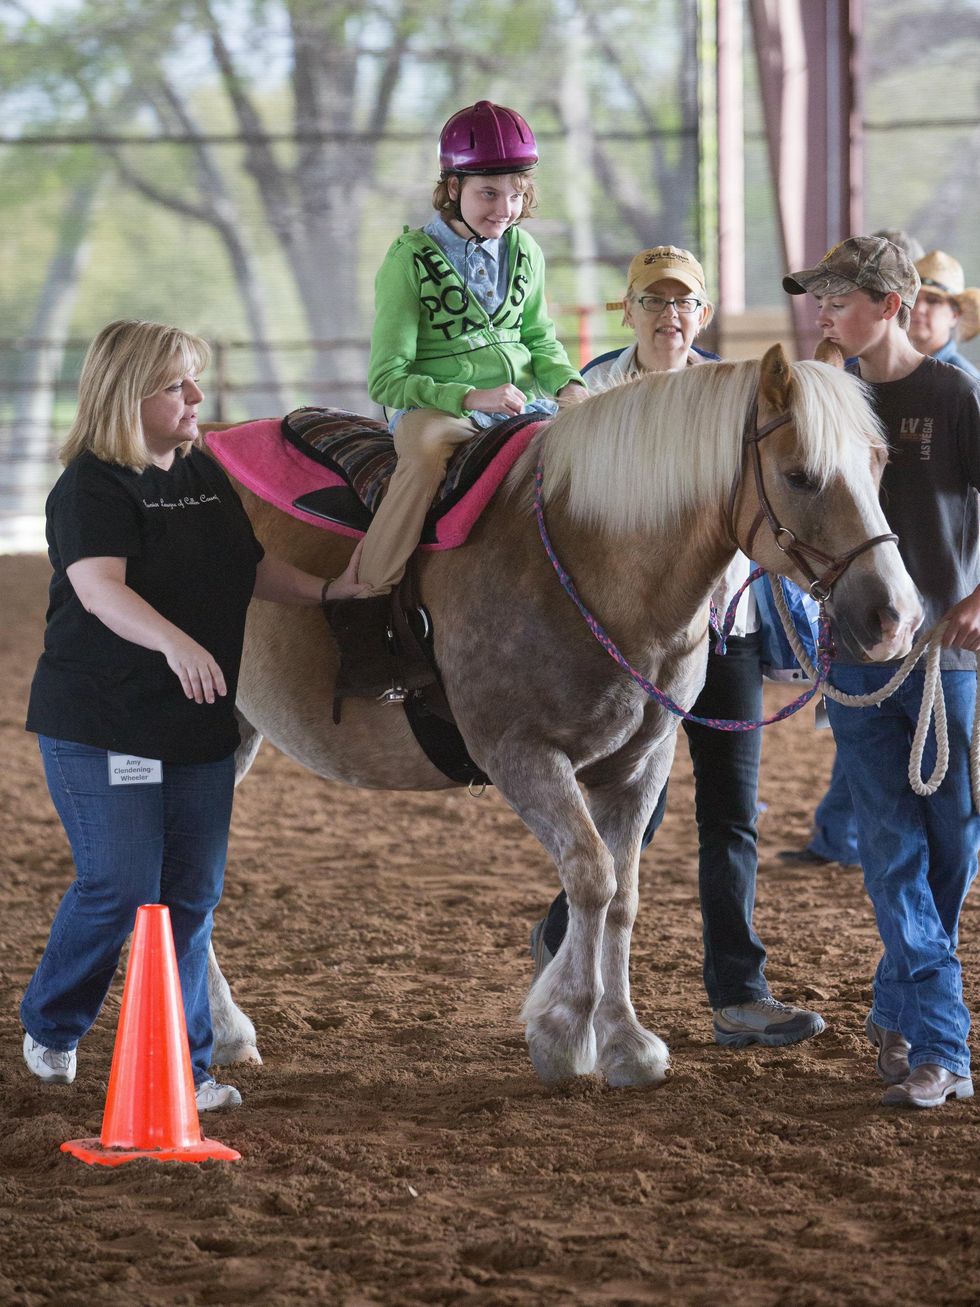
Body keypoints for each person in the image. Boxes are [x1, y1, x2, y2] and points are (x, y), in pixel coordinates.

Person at [20, 320, 364, 1110]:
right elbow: (102, 588)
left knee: (189, 895)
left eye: (194, 381)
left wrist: (325, 591)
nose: (196, 398)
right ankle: (53, 1021)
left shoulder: (205, 473)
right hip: (104, 721)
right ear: (129, 394)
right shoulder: (91, 486)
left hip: (194, 724)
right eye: (178, 385)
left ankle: (190, 1067)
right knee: (119, 884)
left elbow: (246, 566)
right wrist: (177, 644)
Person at [529, 245, 825, 1051]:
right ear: (629, 311)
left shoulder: (736, 399)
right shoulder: (586, 396)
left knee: (733, 812)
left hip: (725, 632)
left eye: (684, 303)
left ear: (702, 313)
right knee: (639, 807)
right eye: (654, 302)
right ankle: (566, 937)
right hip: (625, 645)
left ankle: (739, 992)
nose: (670, 316)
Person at [784, 235, 980, 1109]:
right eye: (821, 298)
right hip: (858, 657)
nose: (823, 312)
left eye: (838, 298)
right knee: (893, 850)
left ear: (890, 305)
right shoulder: (828, 398)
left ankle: (897, 1003)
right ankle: (940, 1041)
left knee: (952, 845)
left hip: (948, 655)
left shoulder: (954, 394)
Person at [324, 100, 586, 699]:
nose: (506, 209)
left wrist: (569, 385)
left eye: (516, 193)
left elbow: (540, 339)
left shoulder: (528, 252)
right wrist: (471, 395)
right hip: (436, 409)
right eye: (489, 194)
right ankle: (366, 607)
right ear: (452, 188)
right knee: (421, 459)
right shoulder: (408, 260)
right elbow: (386, 378)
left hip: (524, 403)